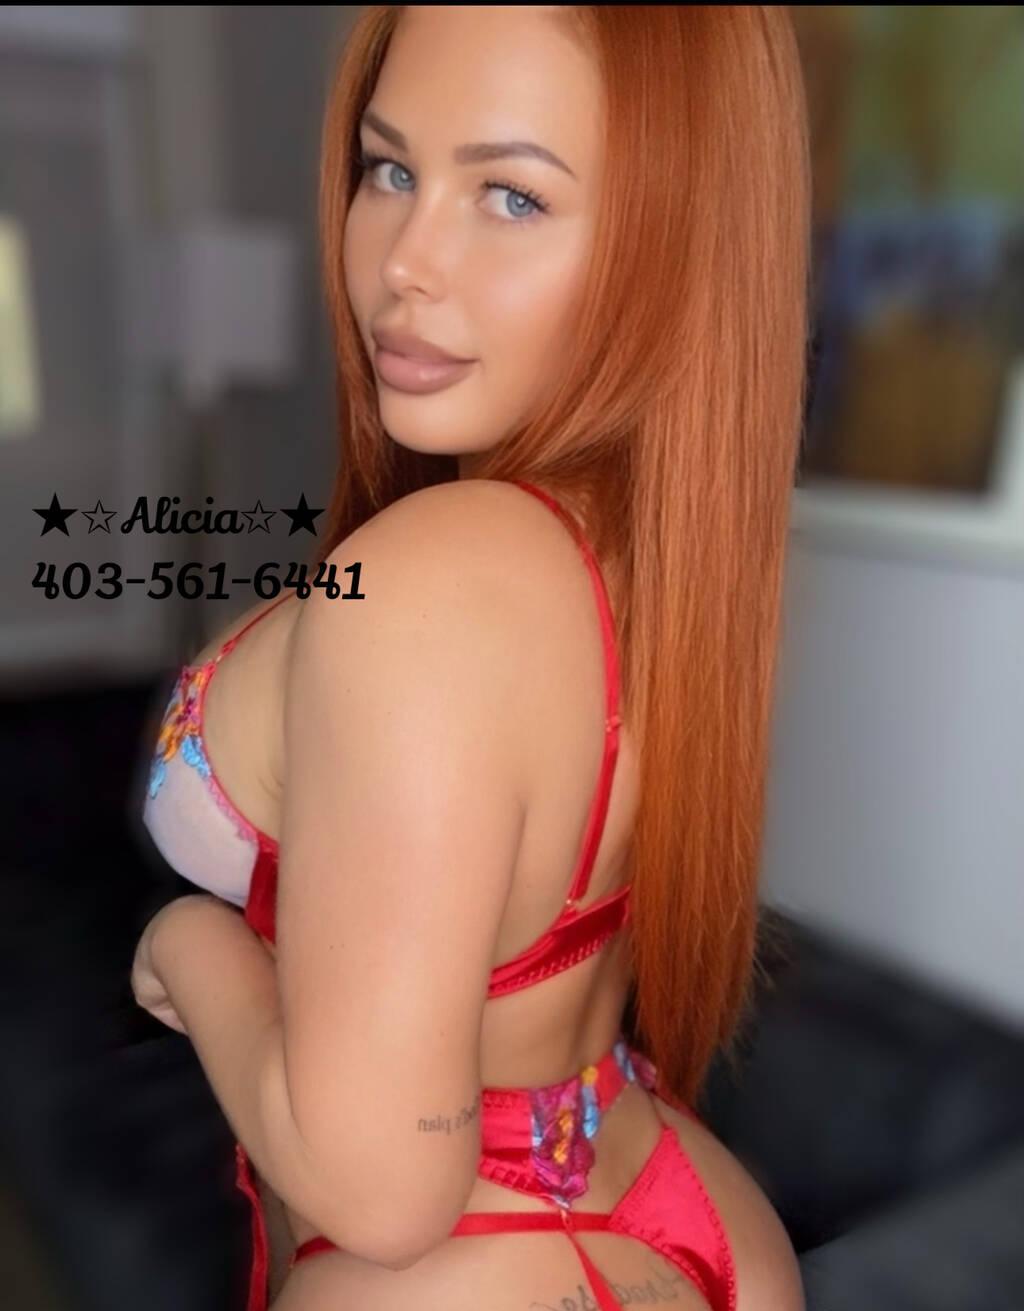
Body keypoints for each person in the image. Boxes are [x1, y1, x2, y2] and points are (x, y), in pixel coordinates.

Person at [131, 6, 812, 1309]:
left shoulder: (435, 582)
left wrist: (192, 945)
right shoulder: (661, 550)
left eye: (510, 196)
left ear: (678, 242)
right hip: (670, 1191)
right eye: (390, 169)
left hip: (460, 1263)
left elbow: (382, 1187)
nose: (405, 261)